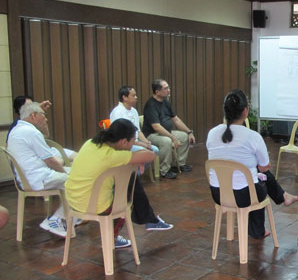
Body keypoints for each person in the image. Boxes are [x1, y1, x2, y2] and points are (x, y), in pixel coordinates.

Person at [206, 90, 298, 239]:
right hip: (244, 196)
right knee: (259, 177)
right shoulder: (253, 137)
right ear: (245, 111)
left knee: (254, 176)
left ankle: (283, 196)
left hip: (218, 194)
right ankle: (260, 226)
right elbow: (265, 166)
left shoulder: (212, 133)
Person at [65, 119, 173, 249]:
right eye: (133, 142)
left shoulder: (90, 143)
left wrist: (133, 158)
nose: (133, 145)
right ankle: (116, 236)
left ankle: (148, 219)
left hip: (72, 200)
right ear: (123, 142)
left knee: (128, 179)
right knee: (127, 188)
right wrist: (136, 159)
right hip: (92, 205)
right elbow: (150, 155)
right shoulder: (111, 156)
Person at [7, 102, 72, 237]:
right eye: (43, 115)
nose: (46, 119)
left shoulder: (17, 130)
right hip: (39, 178)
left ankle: (69, 218)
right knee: (78, 180)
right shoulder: (31, 132)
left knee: (73, 177)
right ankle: (57, 219)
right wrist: (66, 172)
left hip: (27, 178)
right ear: (33, 116)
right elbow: (50, 160)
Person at [142, 79, 195, 179]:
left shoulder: (165, 102)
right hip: (152, 135)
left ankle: (178, 164)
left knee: (184, 136)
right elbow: (156, 127)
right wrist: (172, 138)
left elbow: (176, 119)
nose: (169, 90)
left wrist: (189, 131)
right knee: (166, 141)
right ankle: (164, 170)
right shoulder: (151, 105)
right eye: (166, 88)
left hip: (166, 132)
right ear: (157, 92)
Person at [7, 96, 77, 161]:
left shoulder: (34, 119)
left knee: (77, 156)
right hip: (36, 156)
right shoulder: (18, 125)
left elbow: (46, 135)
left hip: (46, 150)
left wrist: (41, 114)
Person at [110, 86, 158, 154]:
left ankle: (143, 164)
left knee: (155, 149)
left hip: (135, 141)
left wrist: (146, 142)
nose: (136, 97)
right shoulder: (117, 112)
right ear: (124, 97)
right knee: (146, 152)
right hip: (124, 144)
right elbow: (122, 137)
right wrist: (142, 145)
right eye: (133, 95)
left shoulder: (134, 110)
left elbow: (138, 131)